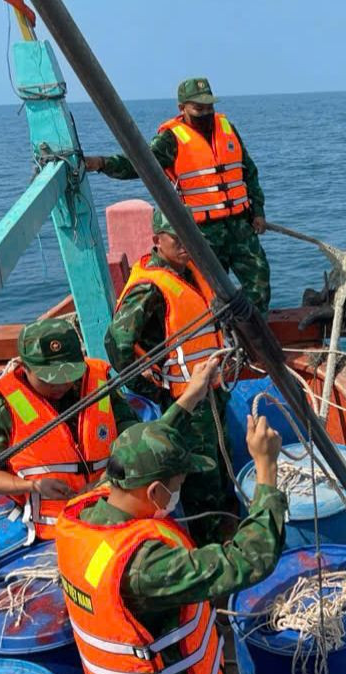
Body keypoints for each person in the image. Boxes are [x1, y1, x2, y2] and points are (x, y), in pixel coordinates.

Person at [53, 409, 286, 674]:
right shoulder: (145, 567)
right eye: (177, 485)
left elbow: (140, 447)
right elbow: (250, 558)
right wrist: (266, 468)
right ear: (154, 492)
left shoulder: (87, 511)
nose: (178, 493)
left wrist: (189, 399)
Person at [105, 208, 237, 545]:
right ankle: (211, 542)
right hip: (185, 399)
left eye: (187, 237)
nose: (183, 245)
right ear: (156, 240)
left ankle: (229, 518)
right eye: (175, 239)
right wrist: (152, 387)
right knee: (201, 474)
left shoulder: (192, 270)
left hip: (212, 386)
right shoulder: (149, 287)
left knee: (223, 461)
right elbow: (117, 342)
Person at [84, 77, 271, 312]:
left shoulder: (227, 128)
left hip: (240, 226)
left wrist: (258, 211)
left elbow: (249, 172)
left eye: (209, 107)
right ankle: (220, 341)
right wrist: (101, 163)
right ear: (182, 108)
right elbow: (139, 163)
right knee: (208, 295)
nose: (206, 113)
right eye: (198, 108)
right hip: (202, 233)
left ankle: (257, 337)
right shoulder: (170, 139)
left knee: (259, 283)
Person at [0, 317, 144, 539]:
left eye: (67, 376)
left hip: (113, 507)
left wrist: (110, 476)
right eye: (49, 379)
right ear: (25, 367)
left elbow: (130, 428)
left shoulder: (98, 382)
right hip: (56, 529)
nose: (60, 385)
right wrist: (33, 486)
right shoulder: (0, 407)